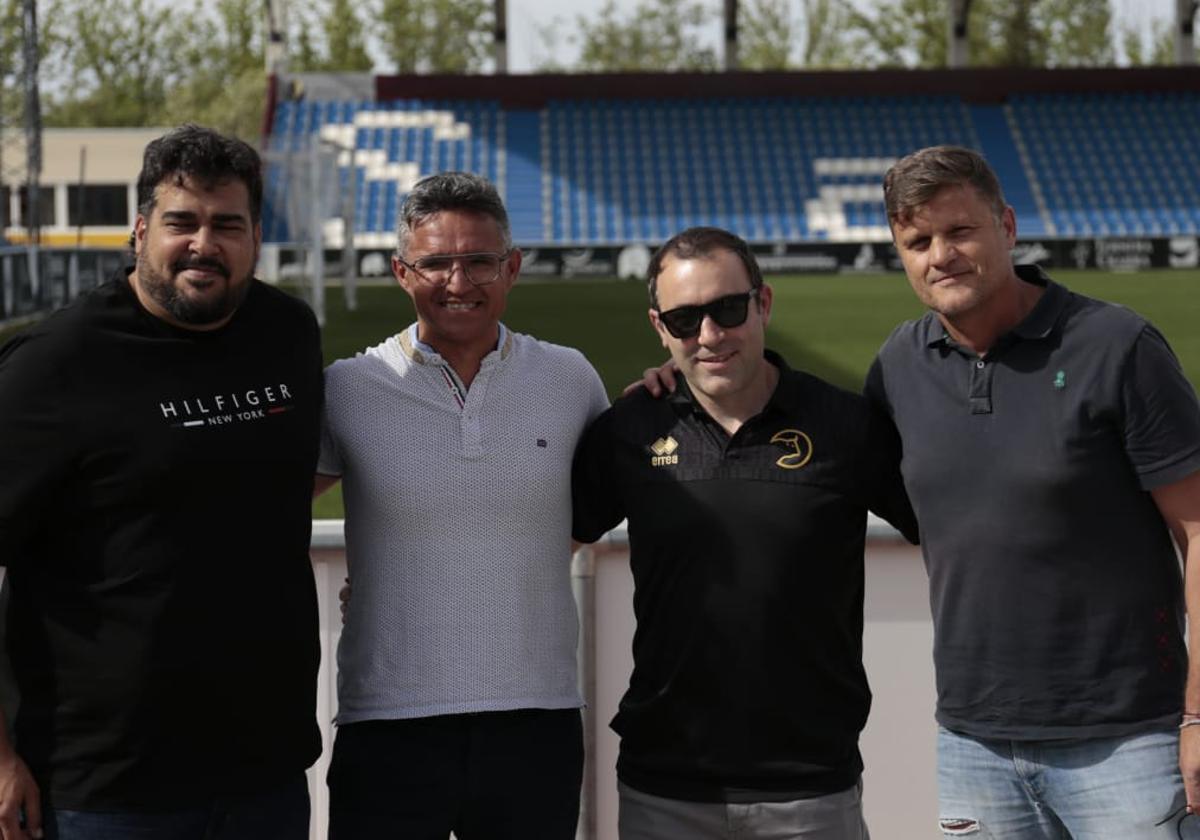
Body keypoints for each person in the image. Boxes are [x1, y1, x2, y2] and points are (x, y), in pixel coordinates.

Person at [865, 145, 1200, 839]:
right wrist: (679, 389)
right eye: (918, 241)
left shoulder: (1117, 347)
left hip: (1128, 744)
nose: (940, 256)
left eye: (960, 231)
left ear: (1007, 227)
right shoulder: (899, 364)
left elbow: (1199, 531)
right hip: (971, 745)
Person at [0, 125, 323, 840]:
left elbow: (278, 479)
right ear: (141, 228)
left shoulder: (288, 333)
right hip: (103, 790)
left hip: (263, 775)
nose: (203, 244)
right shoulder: (54, 365)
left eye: (226, 225)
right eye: (182, 222)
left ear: (255, 235)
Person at [572, 227, 918, 840]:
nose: (708, 336)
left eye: (727, 309)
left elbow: (956, 527)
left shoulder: (846, 426)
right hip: (664, 786)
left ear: (764, 303)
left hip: (813, 789)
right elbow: (537, 546)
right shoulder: (628, 428)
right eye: (684, 320)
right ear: (659, 327)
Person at [316, 171, 608, 839]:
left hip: (536, 719)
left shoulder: (571, 378)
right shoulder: (348, 387)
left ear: (512, 267)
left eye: (479, 261)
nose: (459, 282)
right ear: (400, 271)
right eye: (436, 263)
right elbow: (260, 512)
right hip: (387, 723)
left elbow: (611, 489)